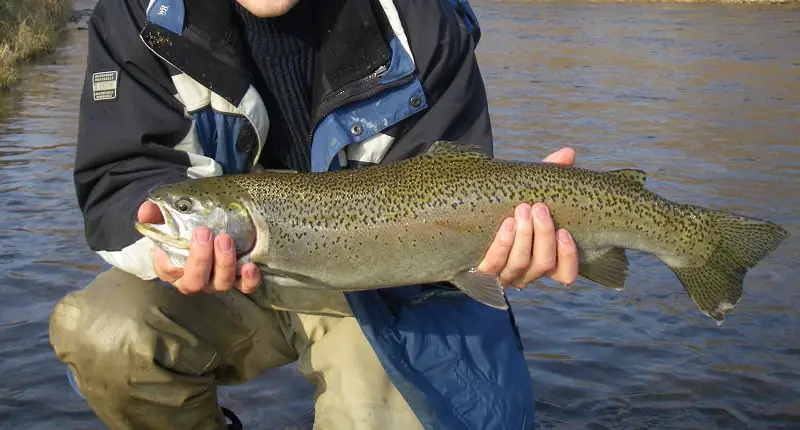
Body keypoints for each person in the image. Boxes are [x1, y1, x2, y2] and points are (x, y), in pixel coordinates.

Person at [48, 0, 580, 428]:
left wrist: (500, 249)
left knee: (386, 413)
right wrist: (165, 252)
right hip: (226, 282)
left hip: (389, 285)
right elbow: (119, 178)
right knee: (103, 332)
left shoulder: (420, 18)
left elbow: (450, 181)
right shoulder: (140, 15)